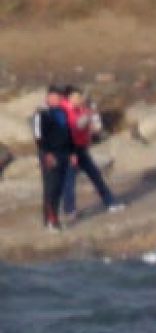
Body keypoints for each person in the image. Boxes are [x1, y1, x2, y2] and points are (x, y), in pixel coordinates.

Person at [59, 87, 123, 219]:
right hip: (69, 150)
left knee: (96, 176)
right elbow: (75, 126)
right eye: (77, 97)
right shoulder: (63, 111)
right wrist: (86, 118)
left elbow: (92, 127)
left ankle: (110, 202)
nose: (80, 99)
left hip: (81, 148)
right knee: (69, 181)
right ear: (70, 97)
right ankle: (69, 210)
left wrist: (92, 123)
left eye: (81, 97)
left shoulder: (81, 109)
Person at [31, 85, 74, 231]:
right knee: (51, 186)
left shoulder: (62, 112)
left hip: (63, 153)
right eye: (54, 97)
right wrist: (47, 153)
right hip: (48, 153)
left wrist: (72, 152)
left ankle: (53, 217)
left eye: (59, 97)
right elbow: (38, 136)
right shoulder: (41, 114)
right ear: (48, 97)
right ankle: (51, 220)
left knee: (60, 186)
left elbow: (68, 134)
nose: (57, 99)